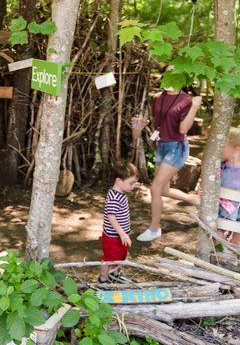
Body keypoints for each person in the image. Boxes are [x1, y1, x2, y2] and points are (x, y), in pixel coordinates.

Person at [136, 87, 202, 242]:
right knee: (163, 190)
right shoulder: (158, 97)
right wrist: (146, 123)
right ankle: (195, 201)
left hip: (177, 147)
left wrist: (194, 107)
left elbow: (183, 128)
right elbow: (158, 122)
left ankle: (154, 228)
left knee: (155, 188)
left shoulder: (186, 100)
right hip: (162, 145)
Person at [99, 161, 138, 283]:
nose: (133, 186)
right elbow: (111, 217)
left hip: (121, 234)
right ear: (118, 181)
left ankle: (115, 274)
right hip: (113, 236)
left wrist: (123, 233)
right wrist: (121, 233)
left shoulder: (121, 192)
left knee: (121, 255)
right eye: (131, 183)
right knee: (109, 258)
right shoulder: (114, 197)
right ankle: (103, 278)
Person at [213, 127, 240, 244]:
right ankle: (219, 254)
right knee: (217, 230)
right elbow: (208, 187)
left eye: (223, 146)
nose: (219, 149)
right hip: (221, 209)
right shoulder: (220, 167)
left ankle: (231, 256)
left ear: (237, 149)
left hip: (237, 210)